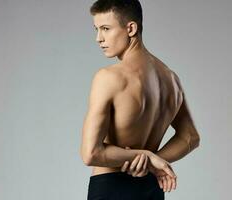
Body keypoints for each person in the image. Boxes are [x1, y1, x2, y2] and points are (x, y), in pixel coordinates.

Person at [80, 0, 201, 199]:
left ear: (131, 28)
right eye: (96, 29)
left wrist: (145, 157)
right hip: (152, 187)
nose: (98, 38)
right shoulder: (171, 79)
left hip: (111, 187)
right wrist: (153, 160)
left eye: (105, 28)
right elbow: (190, 137)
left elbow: (90, 153)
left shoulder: (109, 77)